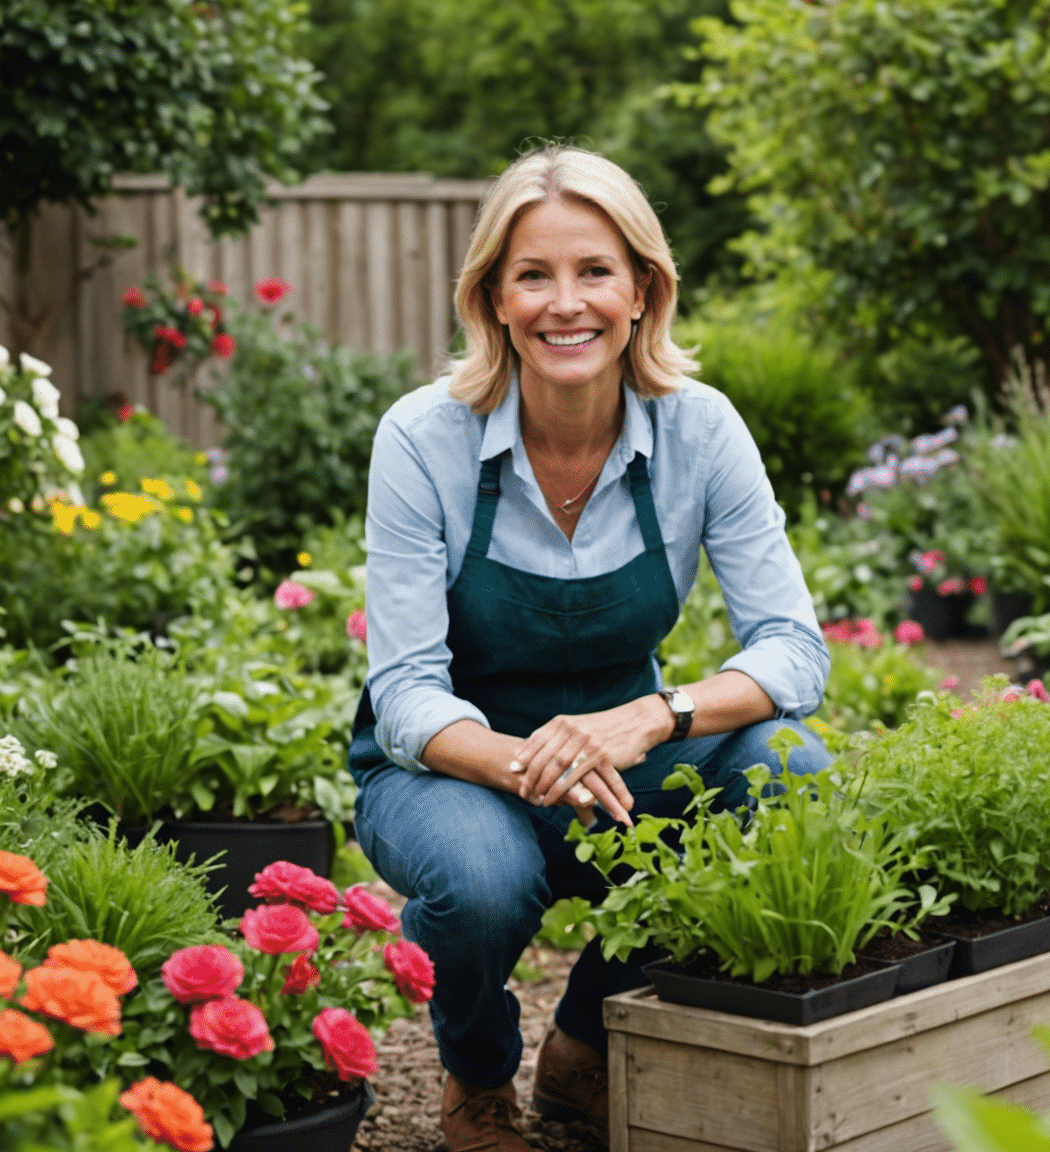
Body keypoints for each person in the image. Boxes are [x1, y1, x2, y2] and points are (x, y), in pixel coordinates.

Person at [347, 145, 833, 1152]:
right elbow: (403, 695)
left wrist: (649, 718)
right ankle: (477, 1076)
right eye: (534, 274)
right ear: (491, 297)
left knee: (790, 772)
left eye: (594, 271)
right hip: (454, 768)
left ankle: (584, 1039)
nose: (565, 304)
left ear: (645, 290)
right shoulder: (423, 437)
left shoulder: (699, 431)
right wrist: (537, 762)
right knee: (480, 878)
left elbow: (794, 649)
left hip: (627, 752)